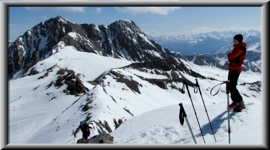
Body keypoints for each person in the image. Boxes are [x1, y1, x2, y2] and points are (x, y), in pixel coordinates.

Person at [227, 34, 247, 112]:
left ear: (239, 40)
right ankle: (235, 101)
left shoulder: (240, 49)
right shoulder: (238, 47)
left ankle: (240, 103)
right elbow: (231, 58)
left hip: (236, 69)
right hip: (232, 68)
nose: (233, 42)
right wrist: (231, 57)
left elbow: (230, 57)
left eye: (235, 40)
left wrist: (230, 56)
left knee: (233, 86)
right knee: (230, 86)